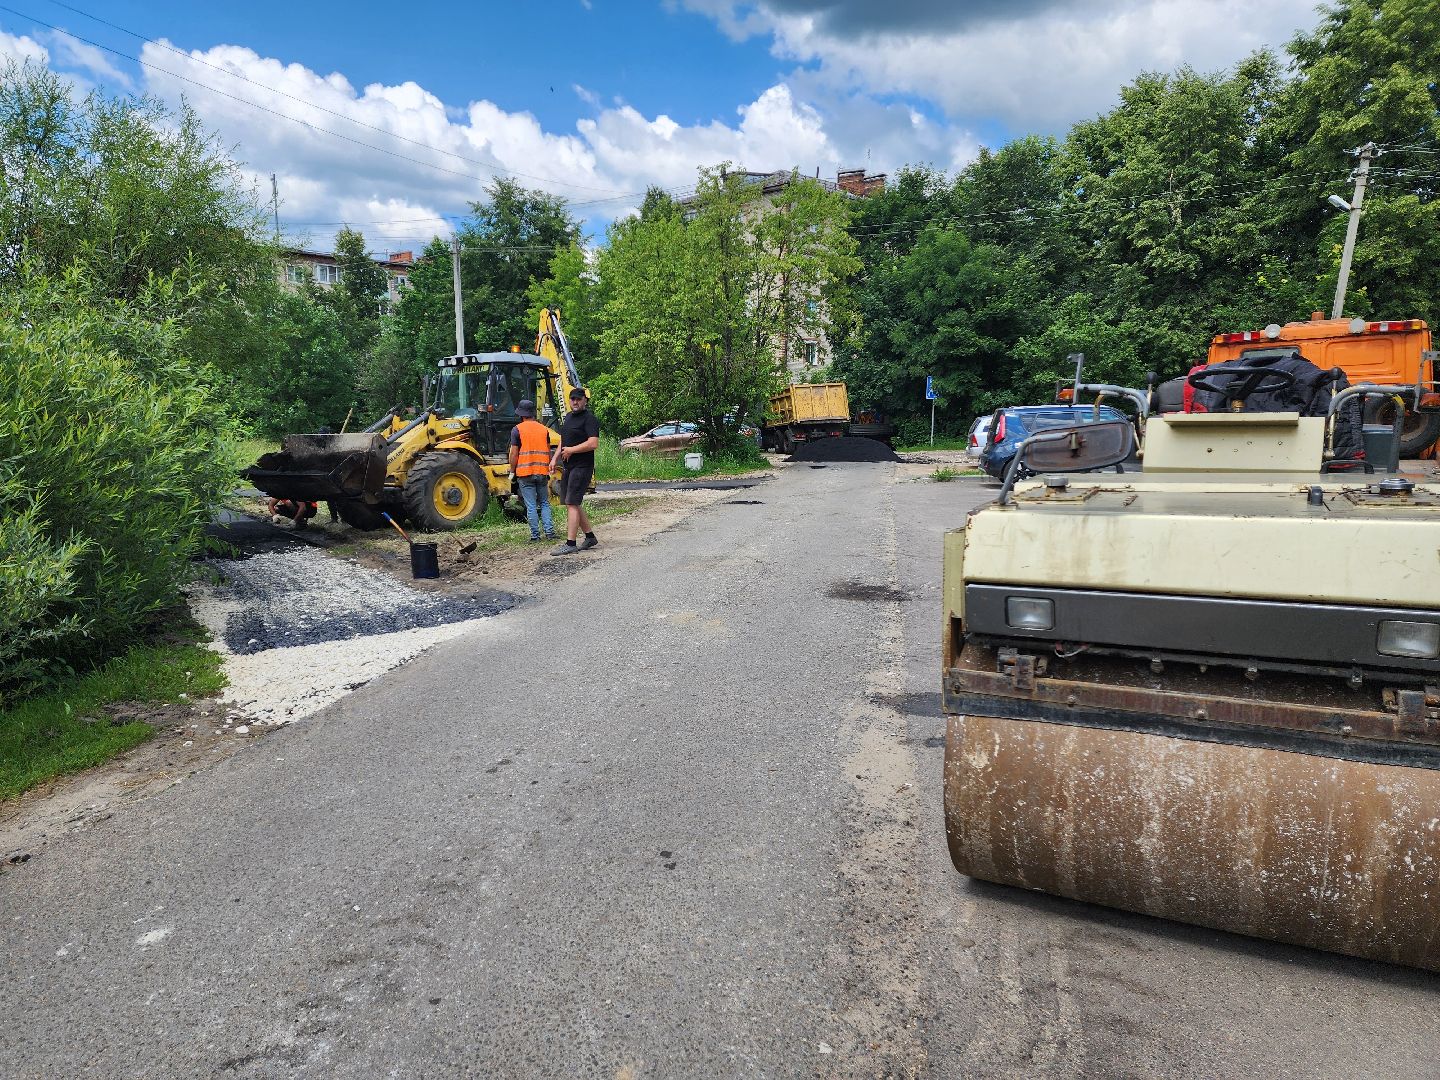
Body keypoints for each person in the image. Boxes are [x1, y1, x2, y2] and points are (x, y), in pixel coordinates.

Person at [551, 386, 600, 555]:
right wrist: (554, 458)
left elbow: (593, 443)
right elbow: (563, 441)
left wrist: (571, 450)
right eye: (573, 399)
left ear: (585, 400)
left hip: (582, 467)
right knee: (572, 502)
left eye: (579, 399)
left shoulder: (590, 419)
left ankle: (570, 544)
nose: (575, 402)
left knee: (572, 502)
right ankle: (590, 537)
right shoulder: (569, 417)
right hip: (568, 467)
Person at [508, 398, 556, 542]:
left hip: (525, 474)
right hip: (542, 472)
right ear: (533, 414)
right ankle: (550, 533)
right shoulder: (544, 429)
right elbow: (548, 451)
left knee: (531, 505)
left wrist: (512, 471)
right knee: (545, 503)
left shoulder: (517, 430)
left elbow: (513, 453)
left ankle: (535, 536)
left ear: (521, 415)